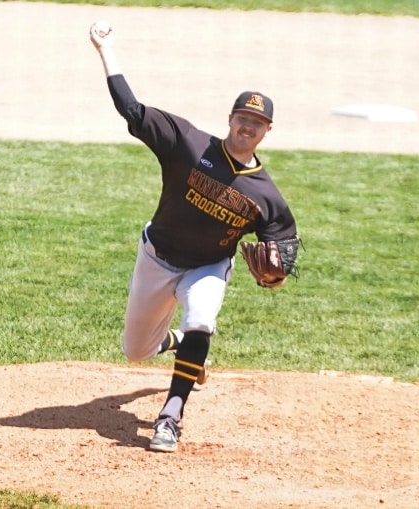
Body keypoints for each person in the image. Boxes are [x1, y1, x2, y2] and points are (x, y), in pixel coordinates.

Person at [89, 21, 298, 453]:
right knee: (136, 351)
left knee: (202, 319)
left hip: (208, 266)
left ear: (267, 131)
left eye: (257, 123)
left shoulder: (266, 195)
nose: (247, 126)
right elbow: (132, 110)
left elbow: (284, 246)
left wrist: (276, 277)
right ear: (230, 118)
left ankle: (170, 416)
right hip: (156, 256)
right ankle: (183, 345)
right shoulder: (189, 144)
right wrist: (105, 48)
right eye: (243, 117)